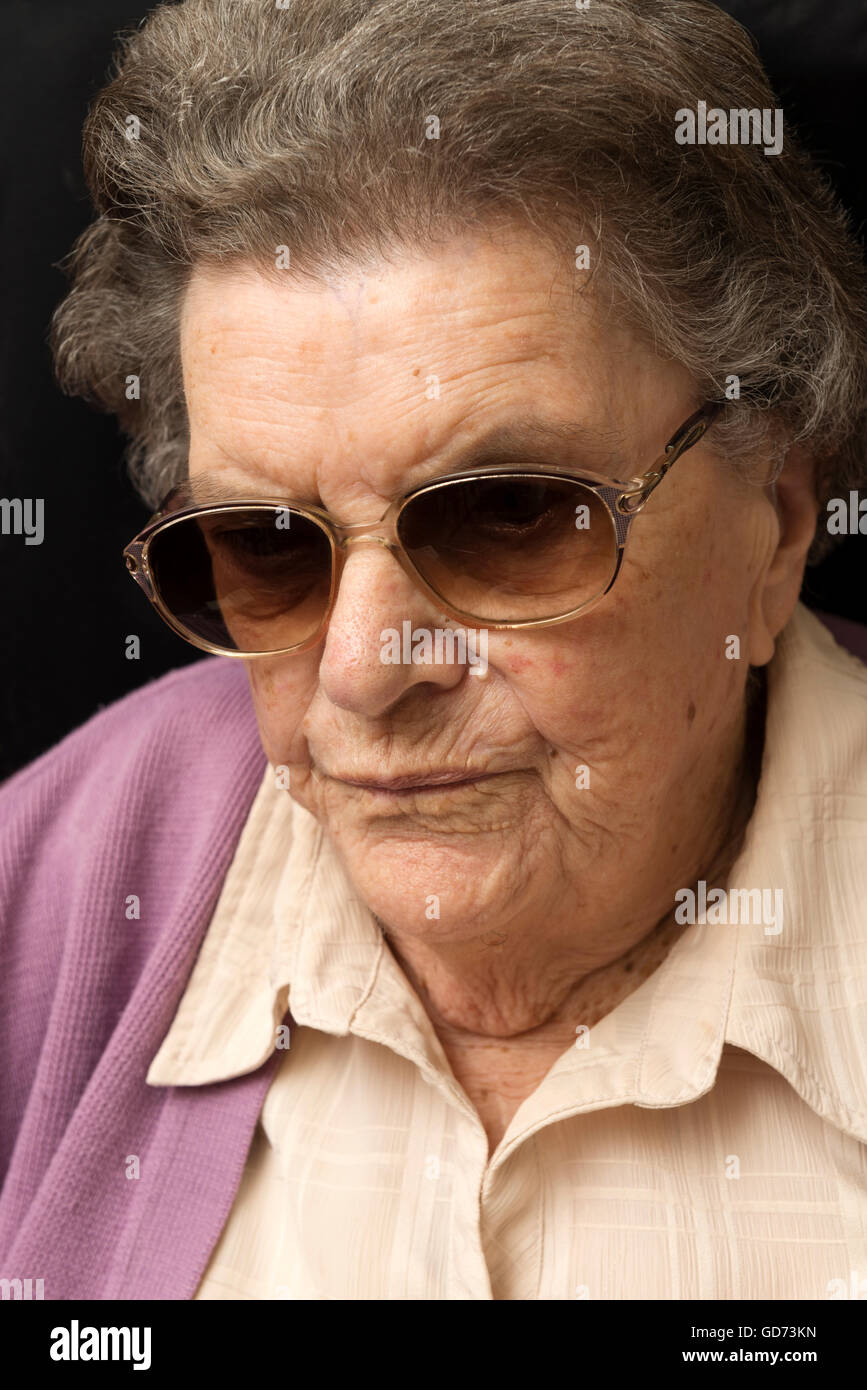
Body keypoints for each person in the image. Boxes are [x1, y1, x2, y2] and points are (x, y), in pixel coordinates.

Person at [1, 0, 866, 1300]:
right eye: (265, 545)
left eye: (510, 515)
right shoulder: (51, 884)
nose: (360, 667)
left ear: (778, 515)